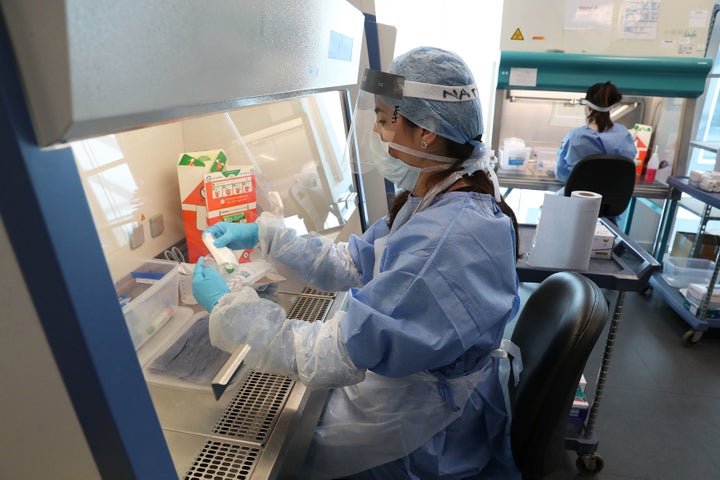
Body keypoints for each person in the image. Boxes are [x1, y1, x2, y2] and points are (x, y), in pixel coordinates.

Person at [192, 46, 522, 480]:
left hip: (420, 427)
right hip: (423, 391)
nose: (376, 130)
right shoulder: (444, 194)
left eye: (386, 119)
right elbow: (354, 261)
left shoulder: (444, 237)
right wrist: (267, 234)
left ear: (426, 132)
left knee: (300, 449)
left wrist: (232, 312)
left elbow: (333, 354)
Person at [555, 81, 637, 184]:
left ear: (588, 107)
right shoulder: (624, 135)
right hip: (614, 199)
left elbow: (561, 175)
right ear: (611, 107)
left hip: (580, 197)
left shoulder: (575, 137)